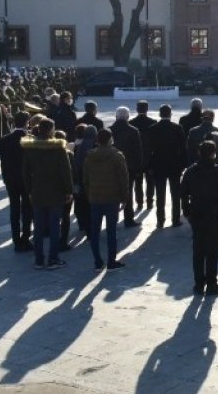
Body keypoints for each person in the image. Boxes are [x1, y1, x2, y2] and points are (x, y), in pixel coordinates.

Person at [181, 140, 218, 295]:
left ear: (199, 152)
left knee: (198, 250)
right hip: (214, 214)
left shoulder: (190, 172)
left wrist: (187, 211)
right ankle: (211, 283)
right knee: (212, 251)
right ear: (214, 153)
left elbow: (183, 193)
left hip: (197, 213)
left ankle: (198, 284)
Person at [21, 119, 73, 270]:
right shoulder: (58, 148)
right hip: (56, 191)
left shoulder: (30, 147)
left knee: (38, 226)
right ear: (51, 130)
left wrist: (29, 190)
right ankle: (53, 258)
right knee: (54, 226)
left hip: (37, 191)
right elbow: (66, 171)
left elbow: (25, 172)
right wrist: (69, 190)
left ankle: (38, 259)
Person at [81, 128, 128, 271]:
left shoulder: (89, 156)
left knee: (94, 232)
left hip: (95, 197)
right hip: (112, 197)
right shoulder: (117, 156)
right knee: (111, 231)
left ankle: (97, 261)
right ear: (110, 139)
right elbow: (123, 178)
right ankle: (111, 261)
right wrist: (124, 197)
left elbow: (86, 179)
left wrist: (90, 194)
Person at [149, 104, 188, 229]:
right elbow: (183, 148)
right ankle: (175, 219)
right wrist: (183, 165)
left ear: (160, 114)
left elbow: (149, 149)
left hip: (158, 164)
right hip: (174, 165)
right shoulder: (177, 128)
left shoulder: (153, 128)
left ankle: (160, 220)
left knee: (160, 195)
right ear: (170, 114)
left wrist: (150, 165)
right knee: (175, 194)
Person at [0, 111, 33, 252]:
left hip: (10, 179)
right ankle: (25, 238)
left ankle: (16, 240)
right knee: (27, 210)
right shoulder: (28, 139)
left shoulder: (4, 139)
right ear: (26, 123)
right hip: (25, 180)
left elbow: (3, 161)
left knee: (14, 210)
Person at [129, 100, 158, 209]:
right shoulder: (153, 122)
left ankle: (139, 201)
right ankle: (150, 201)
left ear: (137, 109)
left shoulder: (131, 123)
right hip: (149, 156)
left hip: (136, 157)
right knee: (150, 181)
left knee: (138, 181)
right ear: (147, 109)